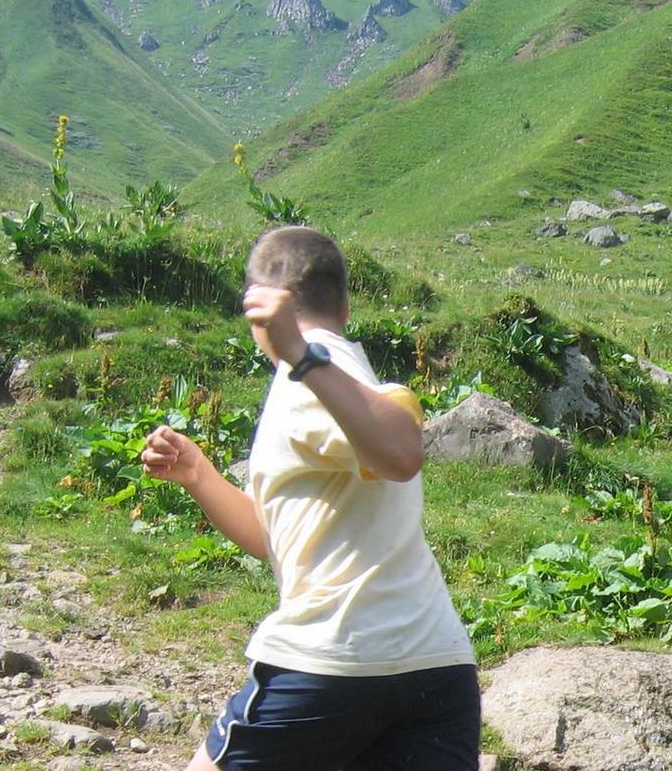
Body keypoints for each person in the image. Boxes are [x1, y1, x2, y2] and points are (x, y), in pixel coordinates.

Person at [141, 226, 479, 771]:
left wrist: (298, 352)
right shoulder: (343, 380)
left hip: (334, 661)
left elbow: (400, 452)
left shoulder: (313, 377)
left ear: (258, 312)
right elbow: (276, 541)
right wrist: (199, 475)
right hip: (434, 665)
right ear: (346, 304)